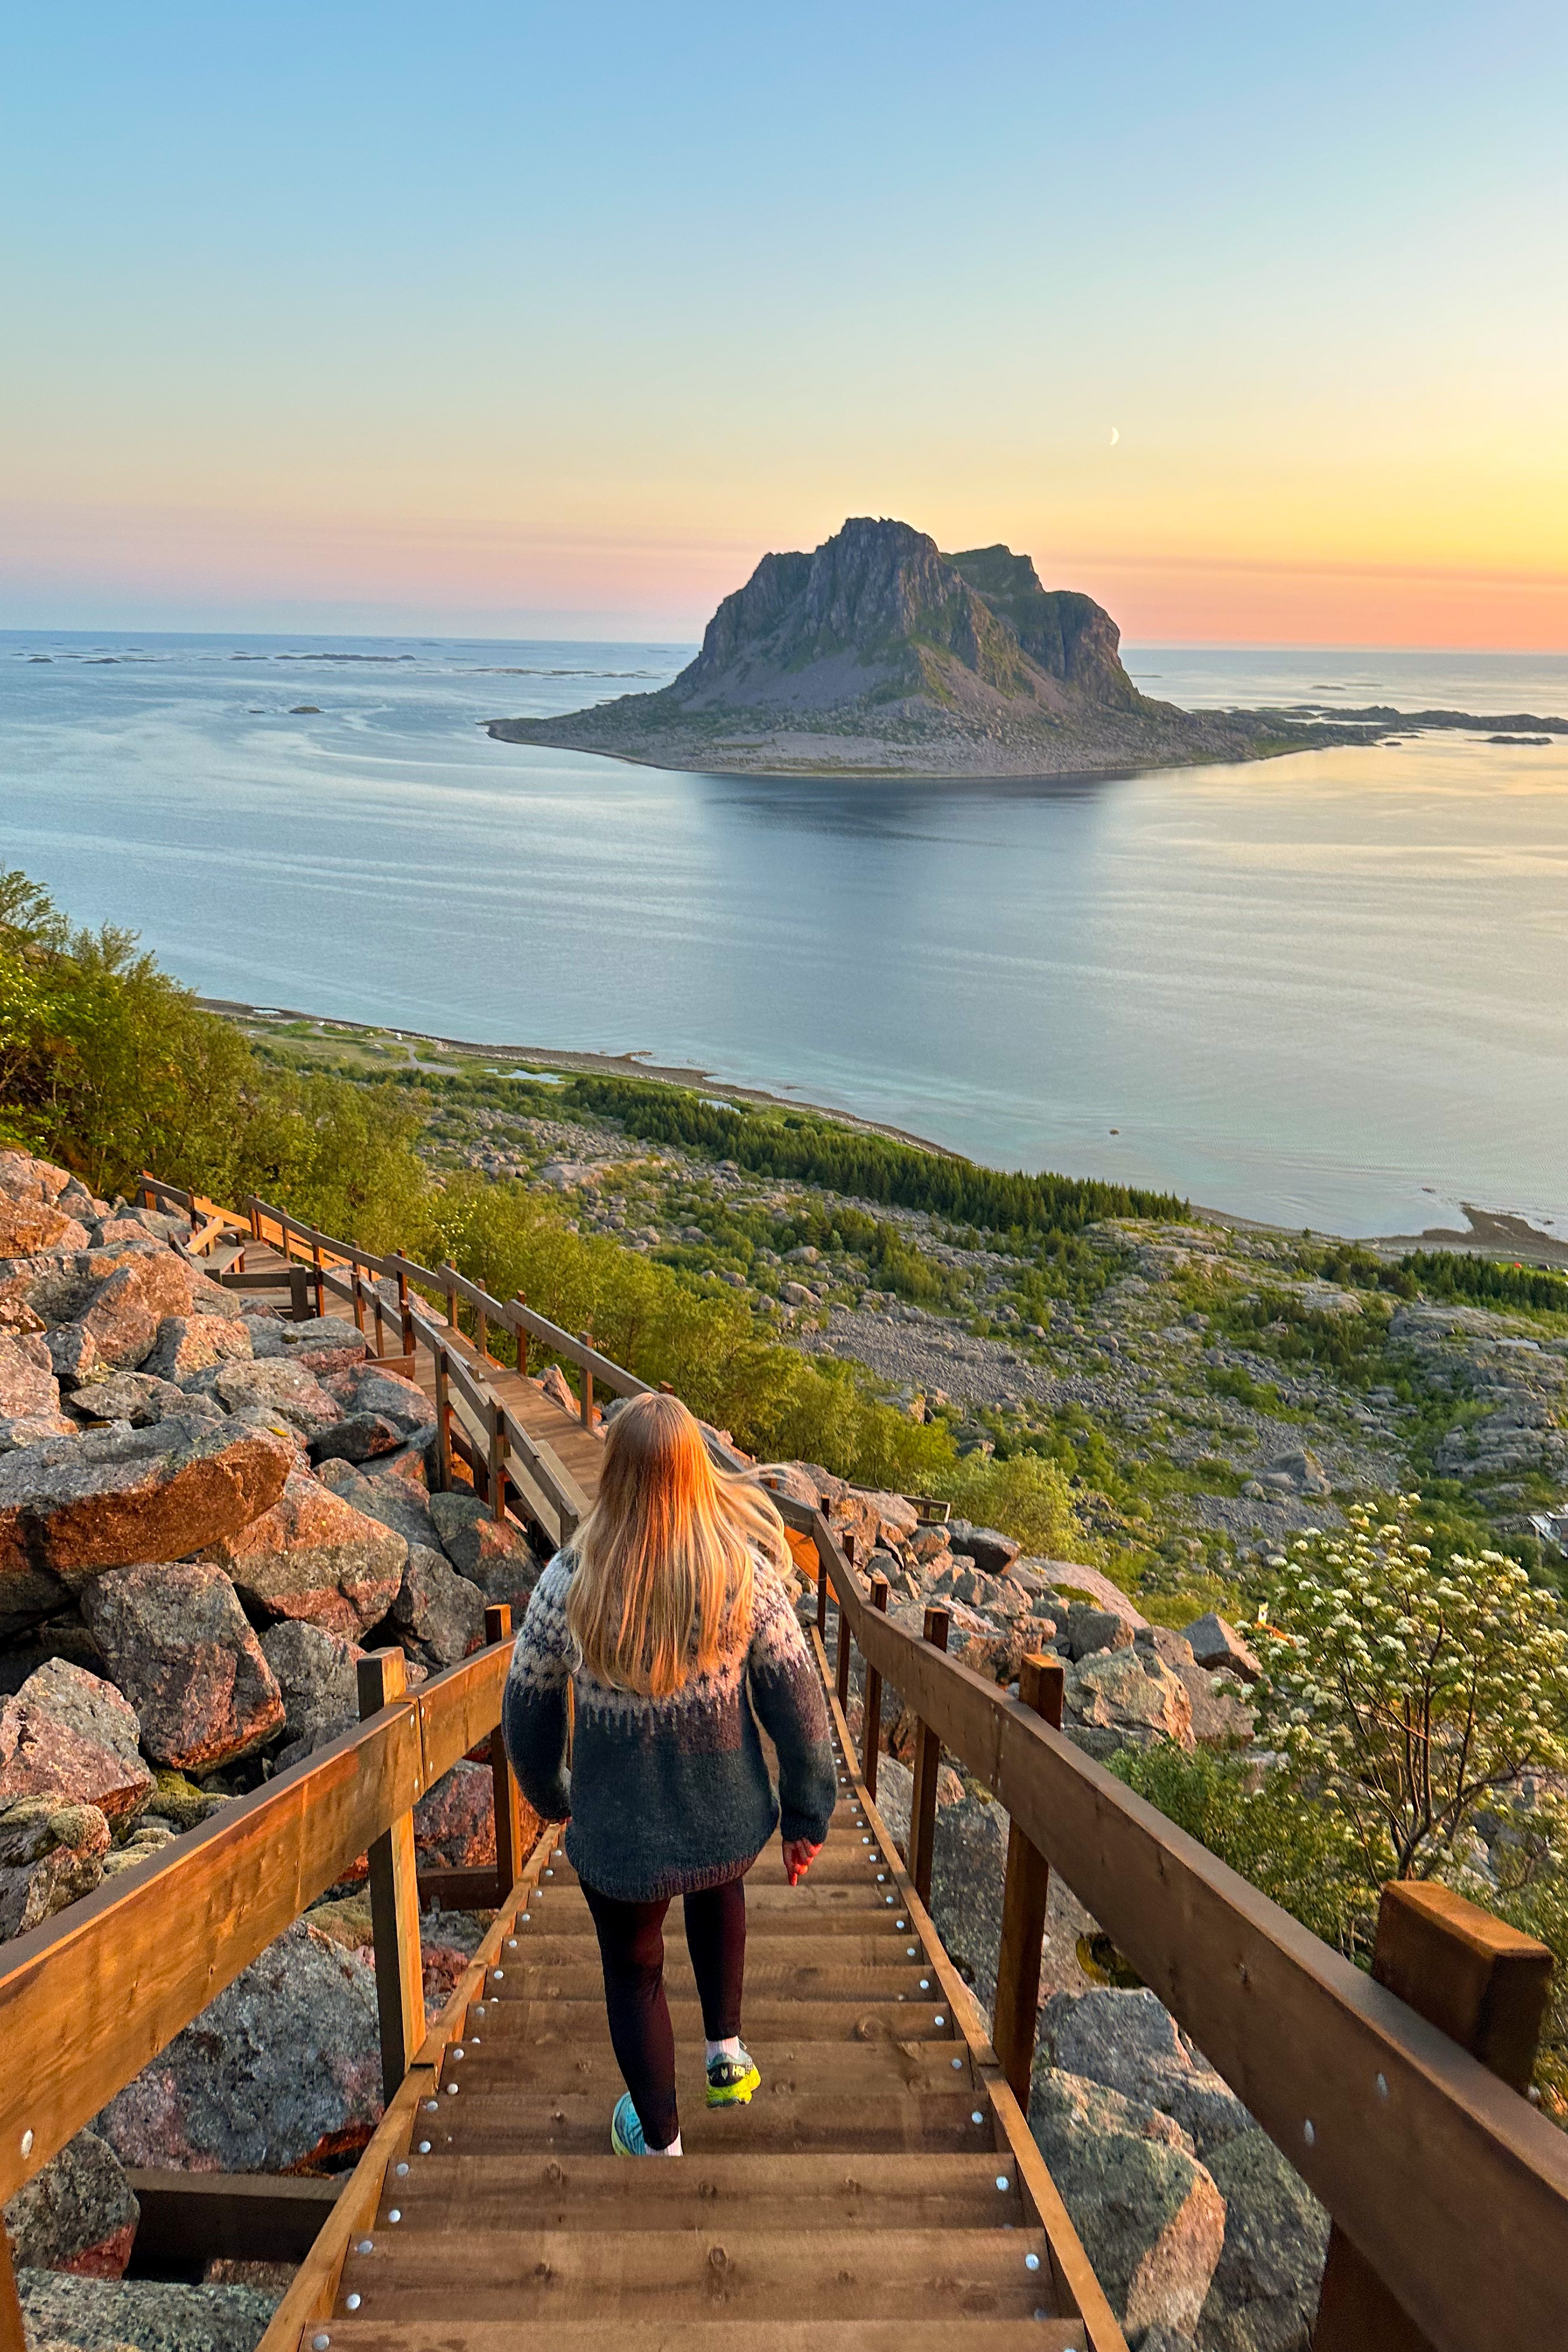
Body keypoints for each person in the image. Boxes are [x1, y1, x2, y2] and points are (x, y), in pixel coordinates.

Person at [502, 1391, 837, 2156]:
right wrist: (805, 1815)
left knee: (635, 1973)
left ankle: (661, 2139)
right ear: (697, 1472)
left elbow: (526, 1703)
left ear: (615, 1472)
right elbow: (802, 1705)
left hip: (619, 1835)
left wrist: (550, 1794)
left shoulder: (570, 1579)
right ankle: (727, 2052)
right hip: (726, 1813)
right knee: (720, 1894)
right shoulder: (742, 1573)